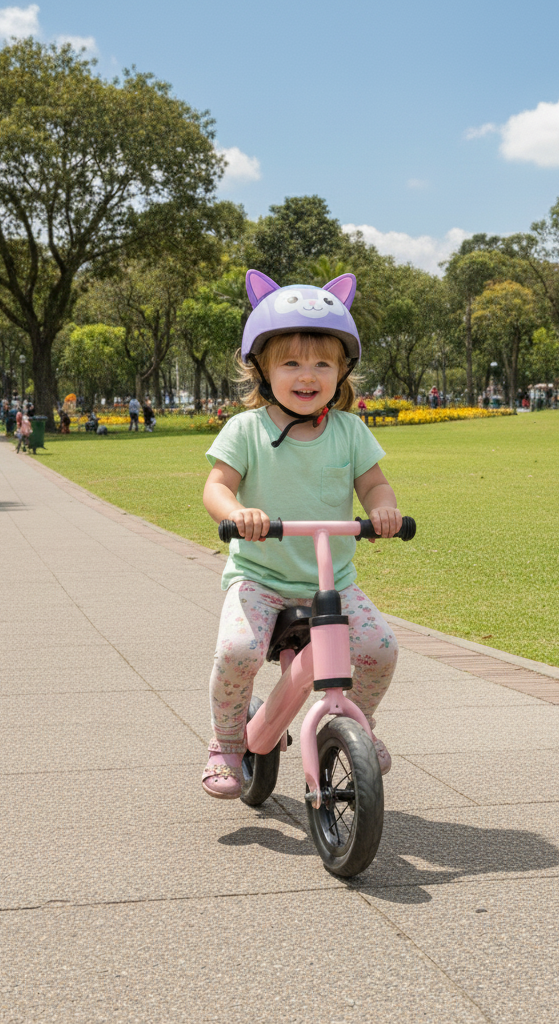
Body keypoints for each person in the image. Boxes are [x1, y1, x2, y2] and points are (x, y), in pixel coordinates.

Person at [200, 269, 403, 799]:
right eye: (290, 362)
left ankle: (359, 723)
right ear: (262, 370)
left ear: (342, 372)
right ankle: (225, 742)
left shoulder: (350, 431)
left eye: (322, 363)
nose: (307, 374)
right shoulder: (246, 430)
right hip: (259, 576)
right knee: (238, 652)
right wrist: (239, 512)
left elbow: (376, 485)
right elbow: (216, 488)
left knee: (380, 649)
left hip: (330, 581)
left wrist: (383, 510)